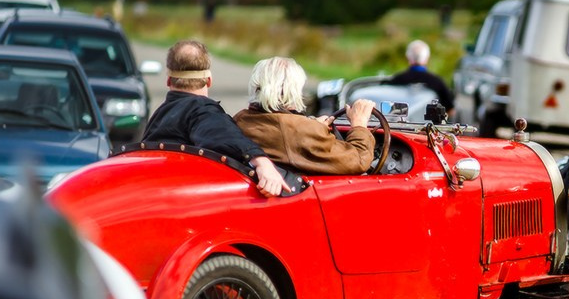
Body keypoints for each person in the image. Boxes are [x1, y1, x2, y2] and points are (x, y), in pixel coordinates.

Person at [141, 40, 291, 197]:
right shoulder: (201, 110)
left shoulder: (160, 116)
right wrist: (263, 163)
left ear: (168, 81)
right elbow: (223, 135)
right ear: (209, 80)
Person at [234, 56, 376, 175]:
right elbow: (358, 160)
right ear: (294, 91)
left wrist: (313, 126)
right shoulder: (299, 131)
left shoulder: (241, 119)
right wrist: (359, 124)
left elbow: (285, 134)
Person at [387, 39, 455, 117]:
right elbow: (450, 110)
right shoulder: (437, 82)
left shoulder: (397, 80)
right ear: (427, 58)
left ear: (408, 58)